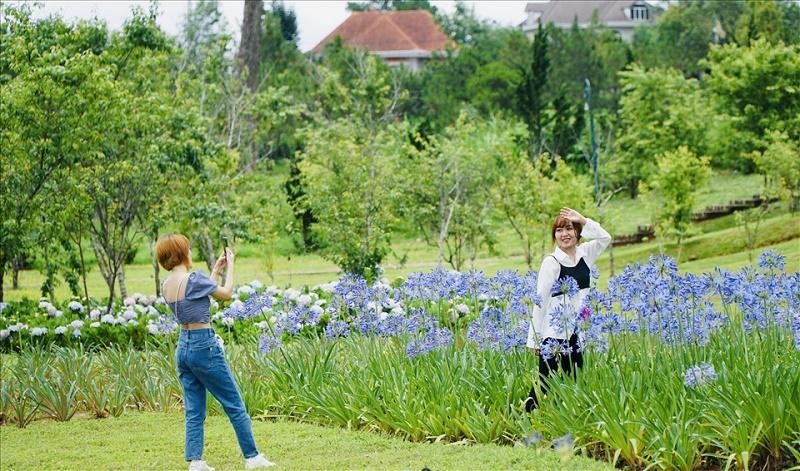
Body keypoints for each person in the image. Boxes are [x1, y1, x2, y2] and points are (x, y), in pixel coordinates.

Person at [156, 234, 275, 471]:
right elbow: (226, 294)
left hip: (184, 347)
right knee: (234, 402)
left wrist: (216, 270)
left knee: (194, 408)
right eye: (188, 248)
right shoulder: (194, 279)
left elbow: (197, 300)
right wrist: (230, 266)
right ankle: (252, 457)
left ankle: (196, 461)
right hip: (204, 346)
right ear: (181, 253)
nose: (190, 252)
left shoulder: (166, 285)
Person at [524, 208, 611, 411]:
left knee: (573, 382)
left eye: (569, 228)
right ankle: (523, 419)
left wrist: (583, 220)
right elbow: (540, 302)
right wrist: (535, 340)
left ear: (577, 233)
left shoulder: (585, 255)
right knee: (543, 384)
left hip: (577, 333)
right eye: (559, 230)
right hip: (554, 335)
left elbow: (605, 237)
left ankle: (562, 422)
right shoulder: (551, 263)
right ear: (554, 236)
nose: (565, 234)